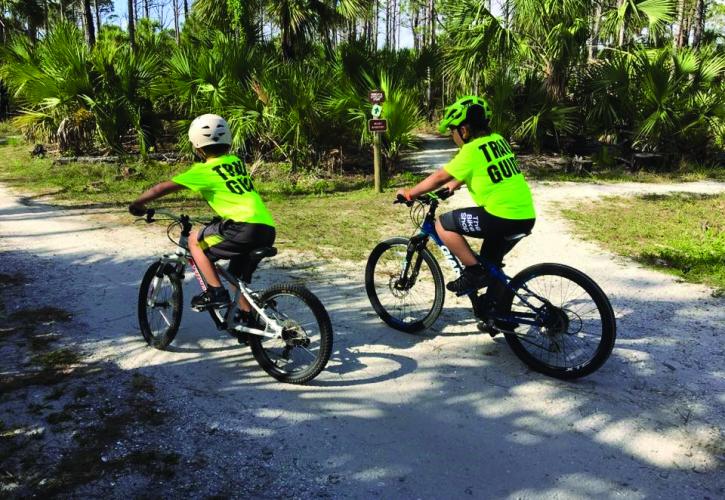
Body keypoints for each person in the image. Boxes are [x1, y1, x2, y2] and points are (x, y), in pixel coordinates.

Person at [129, 114, 276, 313]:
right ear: (228, 142)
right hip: (266, 228)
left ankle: (216, 292)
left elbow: (162, 188)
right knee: (235, 278)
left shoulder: (204, 171)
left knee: (194, 241)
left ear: (197, 147)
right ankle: (249, 322)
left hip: (242, 227)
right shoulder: (235, 161)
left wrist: (138, 203)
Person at [396, 95, 536, 295]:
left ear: (463, 129)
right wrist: (454, 184)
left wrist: (410, 193)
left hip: (502, 216)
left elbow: (439, 177)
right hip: (525, 217)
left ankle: (473, 272)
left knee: (443, 224)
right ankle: (497, 314)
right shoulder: (498, 140)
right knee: (491, 265)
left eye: (452, 131)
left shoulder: (470, 150)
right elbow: (483, 168)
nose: (453, 136)